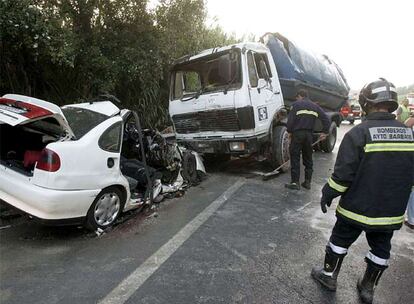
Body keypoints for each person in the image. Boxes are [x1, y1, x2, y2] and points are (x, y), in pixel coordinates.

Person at [311, 78, 414, 304]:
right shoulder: (409, 135)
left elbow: (343, 176)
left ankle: (329, 276)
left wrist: (328, 193)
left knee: (339, 240)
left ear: (366, 103)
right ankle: (368, 288)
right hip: (390, 211)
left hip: (355, 208)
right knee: (381, 248)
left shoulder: (359, 133)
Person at [285, 89, 329, 190]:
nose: (297, 99)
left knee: (295, 157)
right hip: (309, 135)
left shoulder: (296, 104)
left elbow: (291, 121)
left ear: (299, 96)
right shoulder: (315, 106)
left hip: (298, 134)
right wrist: (324, 132)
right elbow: (326, 119)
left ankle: (295, 183)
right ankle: (307, 182)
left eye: (297, 97)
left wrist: (289, 132)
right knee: (308, 158)